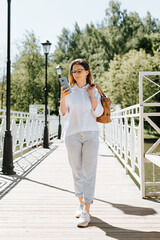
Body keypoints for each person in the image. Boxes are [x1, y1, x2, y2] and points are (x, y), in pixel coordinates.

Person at [59, 59, 104, 227]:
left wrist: (92, 95)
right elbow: (64, 114)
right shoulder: (68, 91)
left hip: (91, 134)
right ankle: (80, 202)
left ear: (87, 72)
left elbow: (98, 111)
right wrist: (63, 98)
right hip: (72, 134)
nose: (76, 74)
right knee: (77, 171)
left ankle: (87, 210)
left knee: (89, 172)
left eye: (79, 70)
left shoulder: (94, 90)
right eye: (73, 71)